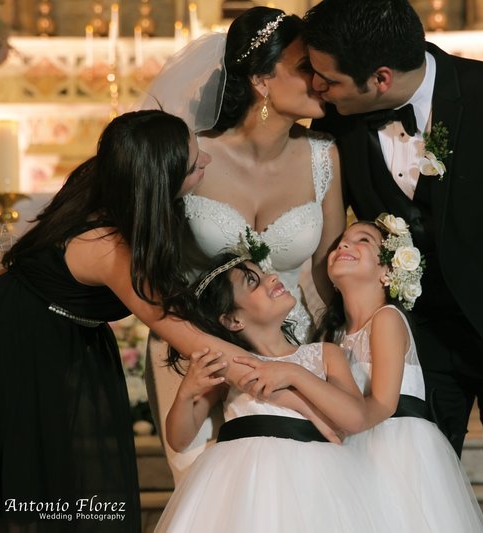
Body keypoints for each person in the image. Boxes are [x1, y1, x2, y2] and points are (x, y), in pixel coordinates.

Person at [304, 0, 483, 530]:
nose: (317, 88)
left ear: (380, 78)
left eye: (328, 79)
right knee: (411, 491)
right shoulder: (338, 117)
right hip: (413, 340)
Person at [0, 110, 327, 533]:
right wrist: (304, 394)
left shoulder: (110, 181)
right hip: (24, 343)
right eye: (194, 165)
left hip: (55, 330)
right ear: (159, 184)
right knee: (31, 494)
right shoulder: (113, 249)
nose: (207, 161)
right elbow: (198, 344)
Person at [139, 6, 346, 482]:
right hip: (196, 353)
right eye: (305, 67)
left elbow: (326, 271)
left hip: (293, 347)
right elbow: (147, 249)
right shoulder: (193, 151)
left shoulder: (324, 156)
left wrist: (334, 351)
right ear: (261, 80)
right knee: (204, 490)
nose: (320, 81)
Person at [232, 216, 483, 532]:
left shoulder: (386, 318)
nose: (344, 245)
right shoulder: (335, 336)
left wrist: (339, 426)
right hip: (353, 447)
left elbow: (383, 404)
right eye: (341, 242)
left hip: (394, 448)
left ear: (388, 271)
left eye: (363, 240)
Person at [154, 254, 382, 533]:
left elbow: (354, 417)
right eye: (253, 282)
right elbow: (179, 439)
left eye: (263, 274)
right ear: (232, 320)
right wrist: (187, 393)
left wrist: (294, 373)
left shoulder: (325, 354)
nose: (272, 278)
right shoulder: (229, 368)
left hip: (318, 484)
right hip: (247, 485)